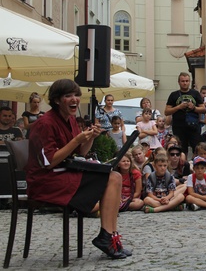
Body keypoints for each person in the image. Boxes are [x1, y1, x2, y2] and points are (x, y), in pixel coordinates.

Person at [26, 79, 130, 259]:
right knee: (111, 178)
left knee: (115, 177)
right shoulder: (45, 123)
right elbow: (49, 161)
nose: (74, 99)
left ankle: (110, 235)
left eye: (76, 95)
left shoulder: (71, 120)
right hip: (46, 181)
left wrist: (89, 138)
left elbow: (80, 151)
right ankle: (107, 237)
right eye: (68, 96)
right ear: (57, 100)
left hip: (63, 173)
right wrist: (78, 139)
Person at [164, 72, 205, 154]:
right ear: (179, 82)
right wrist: (178, 107)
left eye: (187, 81)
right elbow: (166, 111)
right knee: (181, 149)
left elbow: (203, 109)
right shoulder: (173, 95)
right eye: (183, 81)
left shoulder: (195, 93)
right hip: (178, 127)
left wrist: (194, 107)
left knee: (196, 148)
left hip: (193, 126)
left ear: (189, 82)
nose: (185, 83)